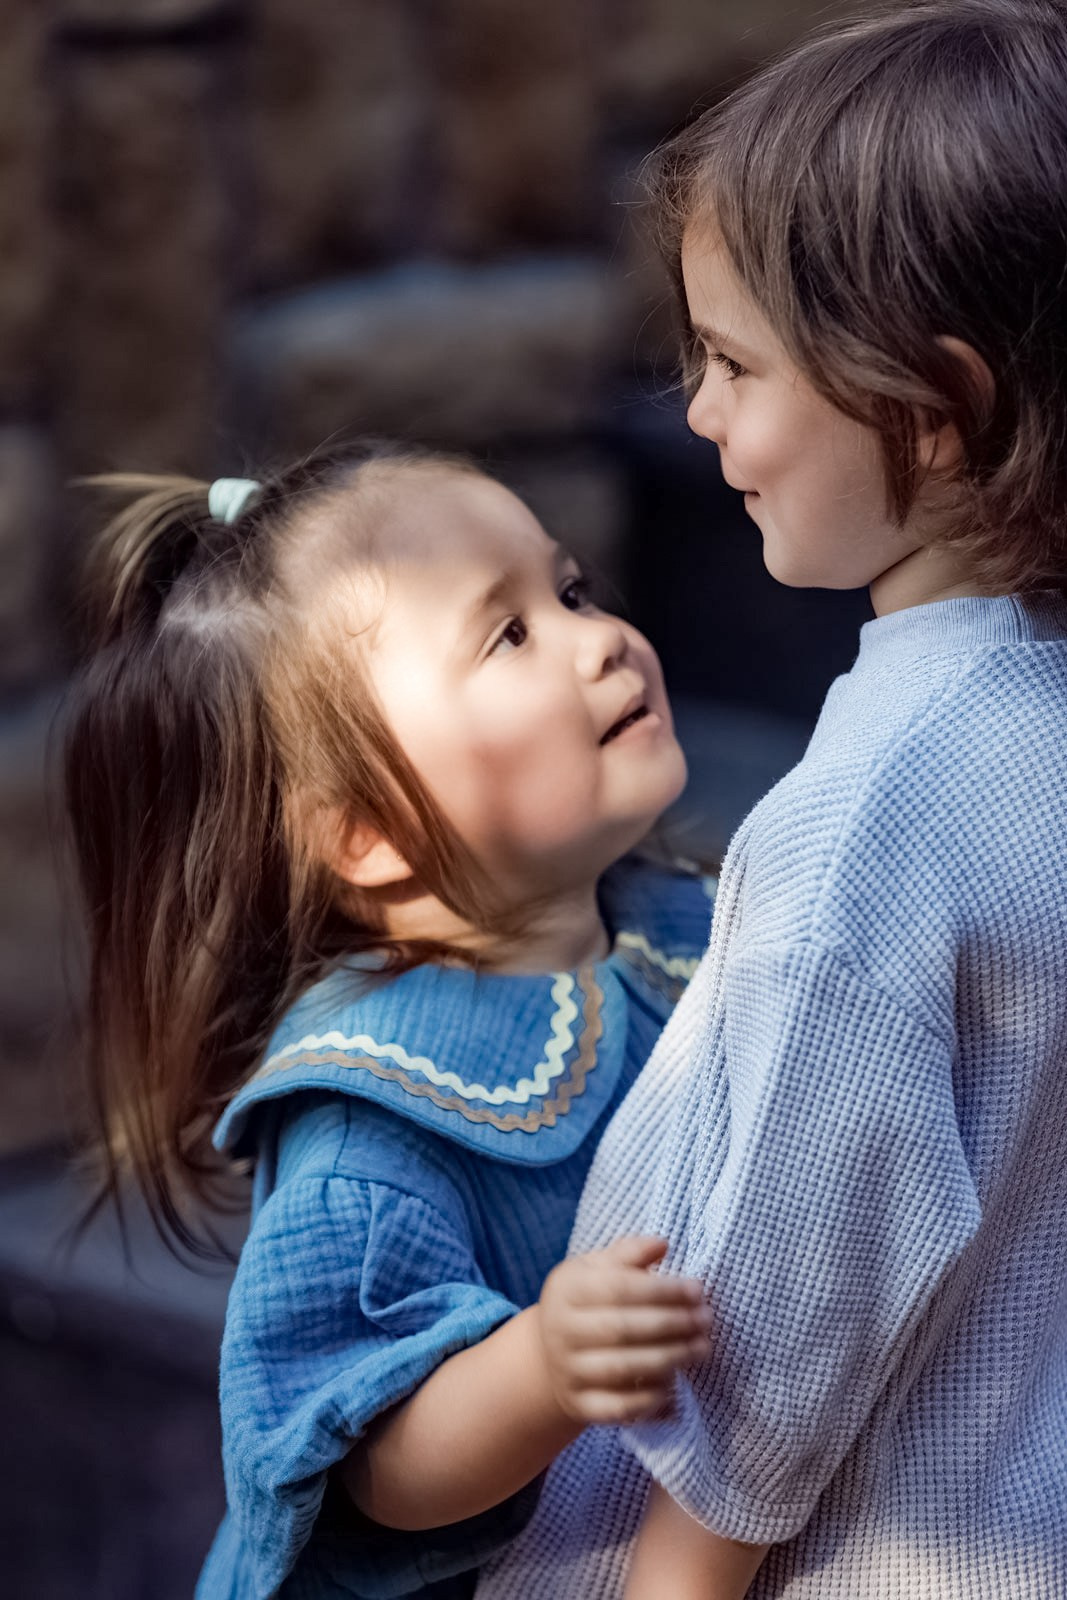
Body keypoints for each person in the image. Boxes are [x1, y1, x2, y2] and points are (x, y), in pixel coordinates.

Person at [475, 3, 1067, 1597]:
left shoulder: (865, 828)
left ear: (929, 407)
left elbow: (764, 1366)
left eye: (732, 363)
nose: (696, 416)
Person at [62, 442, 718, 1599]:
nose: (597, 635)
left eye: (567, 590)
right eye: (508, 634)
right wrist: (541, 1368)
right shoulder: (373, 1134)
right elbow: (368, 1461)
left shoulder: (680, 920)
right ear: (367, 830)